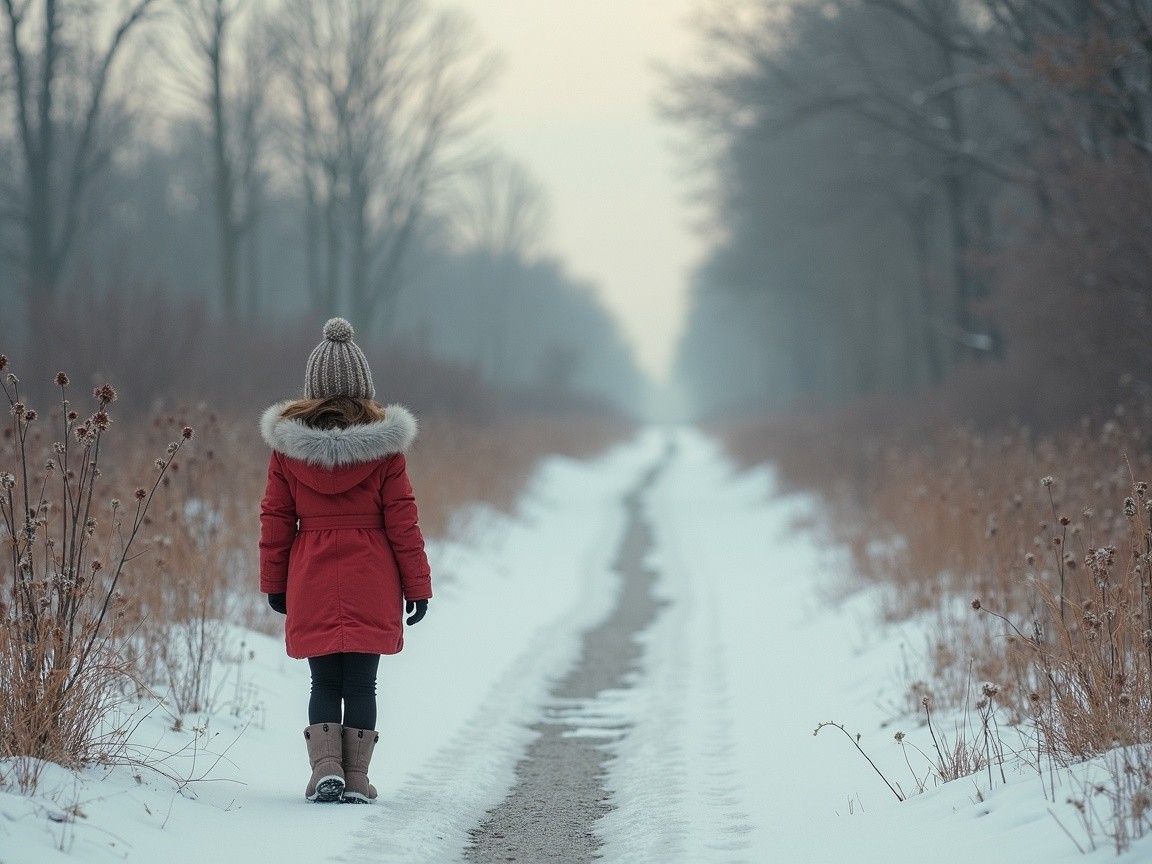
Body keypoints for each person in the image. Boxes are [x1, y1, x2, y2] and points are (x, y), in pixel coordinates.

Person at [258, 317, 432, 803]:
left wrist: (275, 582)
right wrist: (417, 587)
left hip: (310, 574)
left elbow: (275, 519)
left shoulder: (287, 451)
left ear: (312, 388)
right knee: (361, 683)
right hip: (371, 575)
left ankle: (325, 771)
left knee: (322, 680)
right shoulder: (386, 450)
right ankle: (356, 780)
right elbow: (403, 522)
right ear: (364, 388)